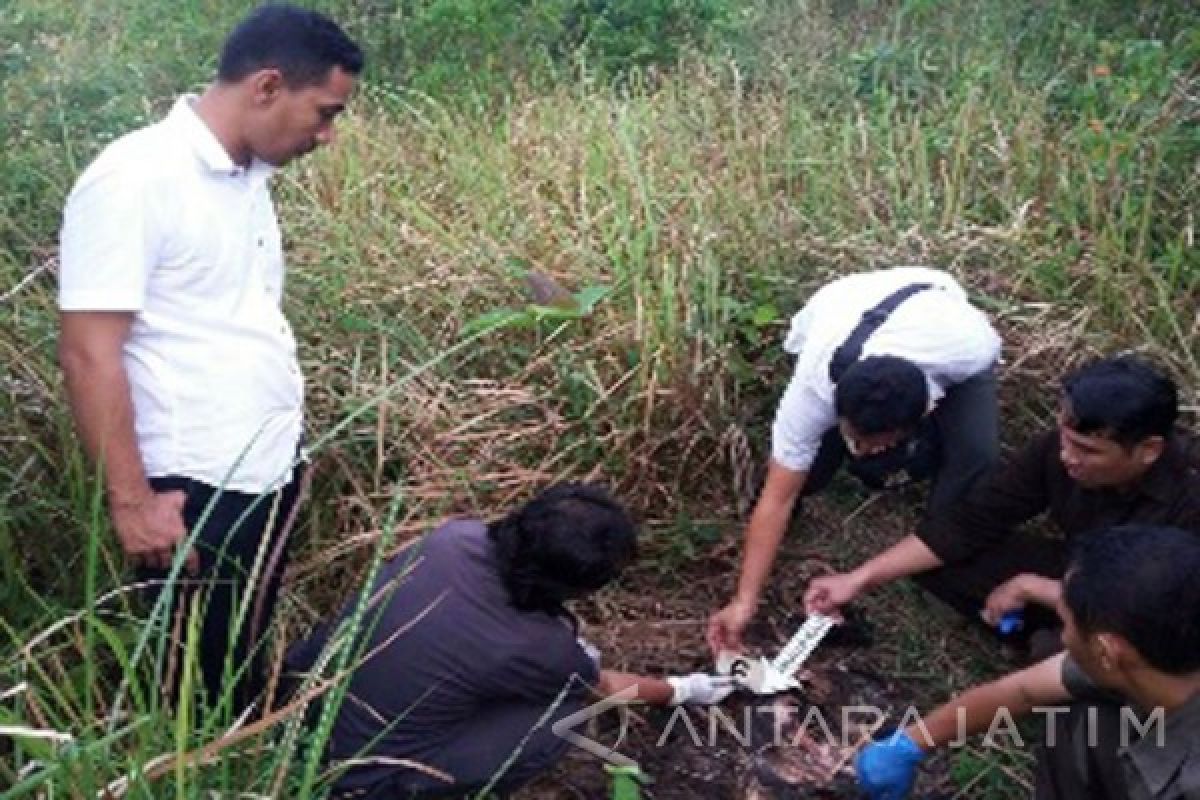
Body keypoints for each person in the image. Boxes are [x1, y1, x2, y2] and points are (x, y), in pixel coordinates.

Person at [57, 4, 363, 712]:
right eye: (323, 112)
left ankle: (245, 760)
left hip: (262, 470)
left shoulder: (244, 177)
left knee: (240, 656)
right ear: (266, 86)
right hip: (189, 490)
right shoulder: (136, 178)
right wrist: (133, 501)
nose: (327, 134)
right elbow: (87, 352)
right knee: (188, 687)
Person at [284, 484, 733, 799]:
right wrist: (687, 689)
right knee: (568, 711)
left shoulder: (452, 538)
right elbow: (606, 688)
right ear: (571, 586)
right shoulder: (535, 647)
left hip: (297, 701)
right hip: (357, 775)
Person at [802, 355, 1200, 645]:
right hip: (1082, 567)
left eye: (1088, 451)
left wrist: (1035, 588)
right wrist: (859, 578)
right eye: (1065, 439)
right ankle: (1049, 636)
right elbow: (971, 521)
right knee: (942, 561)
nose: (1067, 457)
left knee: (1118, 645)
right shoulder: (1055, 453)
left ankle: (1058, 645)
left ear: (1148, 450)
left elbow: (1165, 609)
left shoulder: (1189, 495)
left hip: (1153, 614)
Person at [708, 267, 1002, 654]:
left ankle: (937, 545)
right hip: (844, 304)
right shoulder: (811, 393)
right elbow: (775, 499)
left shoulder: (969, 347)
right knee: (802, 476)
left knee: (976, 454)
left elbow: (968, 404)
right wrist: (745, 600)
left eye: (876, 442)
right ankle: (835, 456)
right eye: (856, 438)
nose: (863, 449)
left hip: (934, 311)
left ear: (927, 410)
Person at [855, 523, 1200, 800]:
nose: (1062, 637)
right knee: (1079, 721)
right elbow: (1023, 691)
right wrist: (912, 742)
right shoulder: (1149, 656)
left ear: (1108, 652)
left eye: (1066, 624)